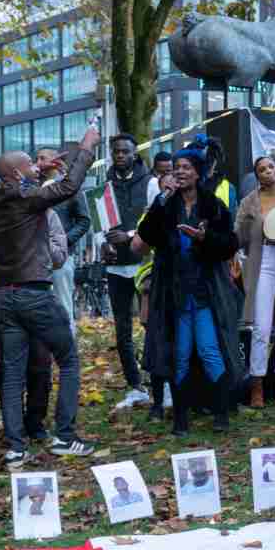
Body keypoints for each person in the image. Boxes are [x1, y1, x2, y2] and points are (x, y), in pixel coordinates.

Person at [0, 131, 99, 466]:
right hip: (33, 293)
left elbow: (31, 185)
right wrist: (85, 149)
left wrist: (42, 170)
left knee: (12, 373)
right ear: (17, 175)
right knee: (68, 359)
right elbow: (68, 188)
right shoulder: (25, 198)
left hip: (5, 296)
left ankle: (16, 447)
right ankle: (65, 435)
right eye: (30, 167)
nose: (37, 169)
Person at [121, 147, 242, 436]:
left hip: (205, 291)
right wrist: (161, 200)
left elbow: (230, 244)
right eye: (176, 167)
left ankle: (221, 413)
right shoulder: (165, 205)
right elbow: (146, 236)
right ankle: (180, 420)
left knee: (210, 350)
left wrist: (205, 238)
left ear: (197, 172)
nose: (180, 172)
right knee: (179, 353)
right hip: (173, 293)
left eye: (186, 167)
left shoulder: (213, 205)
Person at [0, 173, 54, 442]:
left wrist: (22, 244)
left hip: (37, 300)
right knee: (8, 371)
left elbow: (59, 250)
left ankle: (35, 423)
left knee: (40, 365)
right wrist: (21, 243)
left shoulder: (41, 205)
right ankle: (13, 428)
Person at [236, 155, 275, 408]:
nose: (267, 172)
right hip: (261, 261)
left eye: (270, 167)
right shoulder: (249, 201)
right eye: (261, 169)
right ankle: (257, 385)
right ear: (257, 175)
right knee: (261, 328)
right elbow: (237, 235)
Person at [103, 134, 154, 410]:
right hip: (115, 266)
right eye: (116, 152)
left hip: (144, 263)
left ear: (135, 154)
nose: (120, 155)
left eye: (125, 151)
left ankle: (159, 379)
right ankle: (135, 386)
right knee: (121, 329)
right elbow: (101, 225)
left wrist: (131, 234)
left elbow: (154, 221)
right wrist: (103, 244)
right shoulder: (105, 187)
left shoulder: (150, 183)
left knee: (151, 323)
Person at [37, 146, 93, 329]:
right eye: (36, 159)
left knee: (63, 306)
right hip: (35, 260)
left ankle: (68, 353)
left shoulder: (69, 187)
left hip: (62, 258)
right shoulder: (32, 189)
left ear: (55, 161)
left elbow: (84, 221)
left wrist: (63, 242)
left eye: (43, 158)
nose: (39, 163)